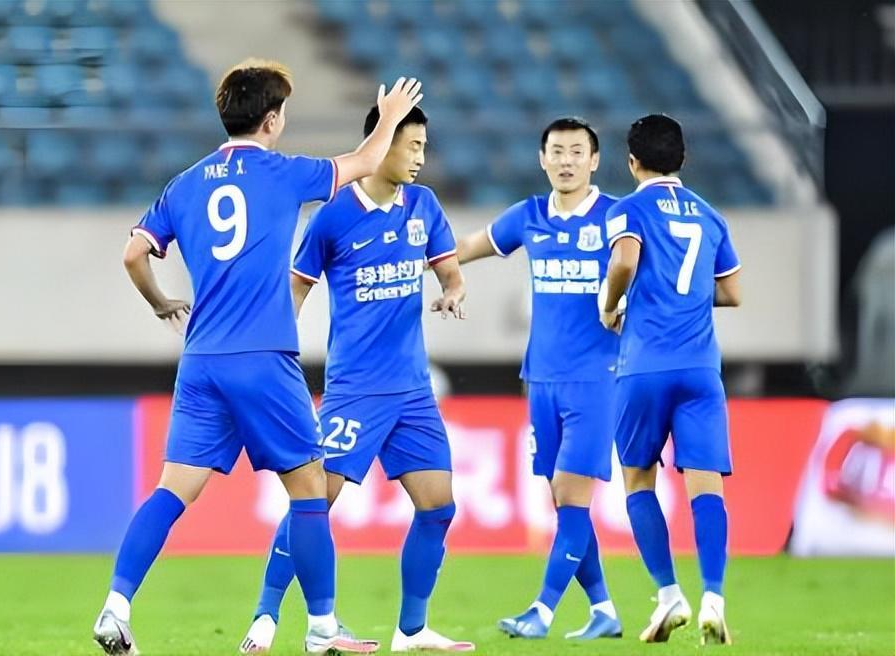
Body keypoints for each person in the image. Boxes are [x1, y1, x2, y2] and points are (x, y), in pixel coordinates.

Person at [92, 59, 423, 655]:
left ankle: (116, 606)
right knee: (310, 487)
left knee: (172, 490)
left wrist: (161, 302)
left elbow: (133, 254)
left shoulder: (185, 184)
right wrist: (390, 117)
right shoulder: (283, 173)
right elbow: (366, 162)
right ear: (271, 119)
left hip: (202, 359)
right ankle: (322, 628)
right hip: (264, 355)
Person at [240, 104, 474, 654]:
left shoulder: (424, 205)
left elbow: (450, 269)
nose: (420, 157)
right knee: (314, 503)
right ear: (383, 142)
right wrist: (272, 354)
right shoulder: (333, 216)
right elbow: (295, 291)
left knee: (438, 506)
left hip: (413, 389)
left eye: (423, 147)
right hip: (356, 388)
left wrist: (453, 290)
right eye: (411, 145)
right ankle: (266, 615)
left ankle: (411, 630)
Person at [456, 117, 623, 641]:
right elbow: (468, 246)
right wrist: (416, 255)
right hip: (542, 378)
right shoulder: (528, 216)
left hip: (597, 378)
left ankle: (542, 611)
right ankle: (604, 610)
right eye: (557, 151)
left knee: (572, 497)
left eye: (577, 151)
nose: (566, 160)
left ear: (594, 160)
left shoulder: (618, 217)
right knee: (563, 500)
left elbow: (652, 277)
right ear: (542, 159)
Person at [601, 114, 742, 645]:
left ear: (632, 162)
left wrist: (610, 305)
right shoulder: (711, 216)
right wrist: (688, 300)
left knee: (638, 480)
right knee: (706, 485)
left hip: (644, 365)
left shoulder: (627, 209)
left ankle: (668, 595)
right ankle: (714, 597)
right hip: (701, 369)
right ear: (683, 159)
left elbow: (624, 262)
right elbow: (732, 292)